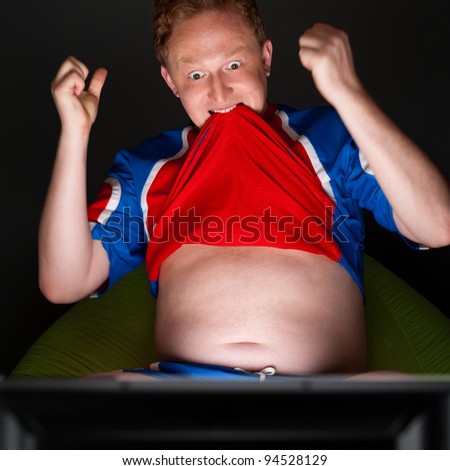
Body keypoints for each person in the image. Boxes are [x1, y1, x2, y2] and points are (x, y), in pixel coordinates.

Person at [39, 0, 450, 381]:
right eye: (195, 74)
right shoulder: (148, 168)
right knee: (67, 408)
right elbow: (63, 282)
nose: (219, 93)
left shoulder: (326, 138)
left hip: (325, 397)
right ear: (171, 82)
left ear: (265, 58)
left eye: (234, 64)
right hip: (181, 395)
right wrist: (73, 136)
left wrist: (347, 91)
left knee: (417, 405)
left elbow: (438, 224)